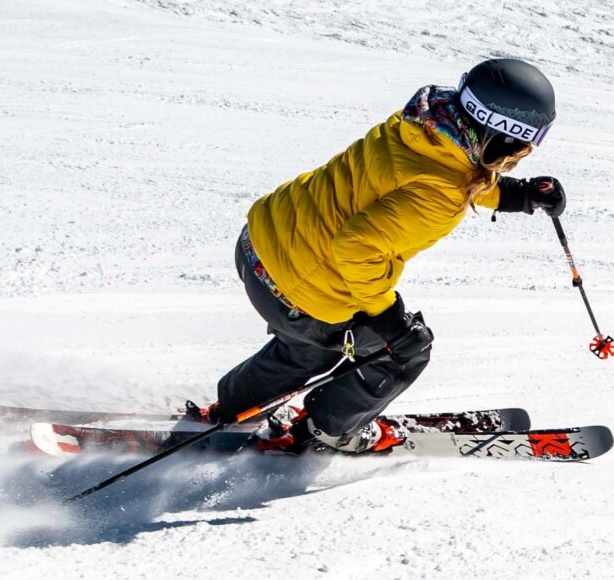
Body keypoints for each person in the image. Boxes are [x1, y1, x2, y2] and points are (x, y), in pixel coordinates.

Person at [197, 58, 567, 454]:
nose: (526, 152)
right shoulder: (443, 194)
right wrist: (391, 322)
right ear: (502, 135)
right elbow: (359, 248)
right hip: (300, 288)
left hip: (261, 247)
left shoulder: (421, 123)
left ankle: (235, 407)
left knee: (308, 347)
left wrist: (515, 195)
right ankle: (332, 429)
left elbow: (427, 175)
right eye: (529, 141)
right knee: (403, 353)